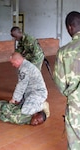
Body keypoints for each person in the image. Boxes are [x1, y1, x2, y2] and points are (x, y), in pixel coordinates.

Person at [0, 52, 50, 125]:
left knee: (25, 110)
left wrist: (14, 99)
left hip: (37, 94)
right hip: (31, 93)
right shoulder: (25, 66)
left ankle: (42, 105)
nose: (12, 65)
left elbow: (21, 85)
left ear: (17, 61)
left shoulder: (25, 68)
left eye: (13, 63)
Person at [53, 11, 80, 150]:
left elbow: (59, 82)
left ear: (70, 27)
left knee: (75, 140)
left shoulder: (64, 52)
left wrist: (71, 93)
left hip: (76, 105)